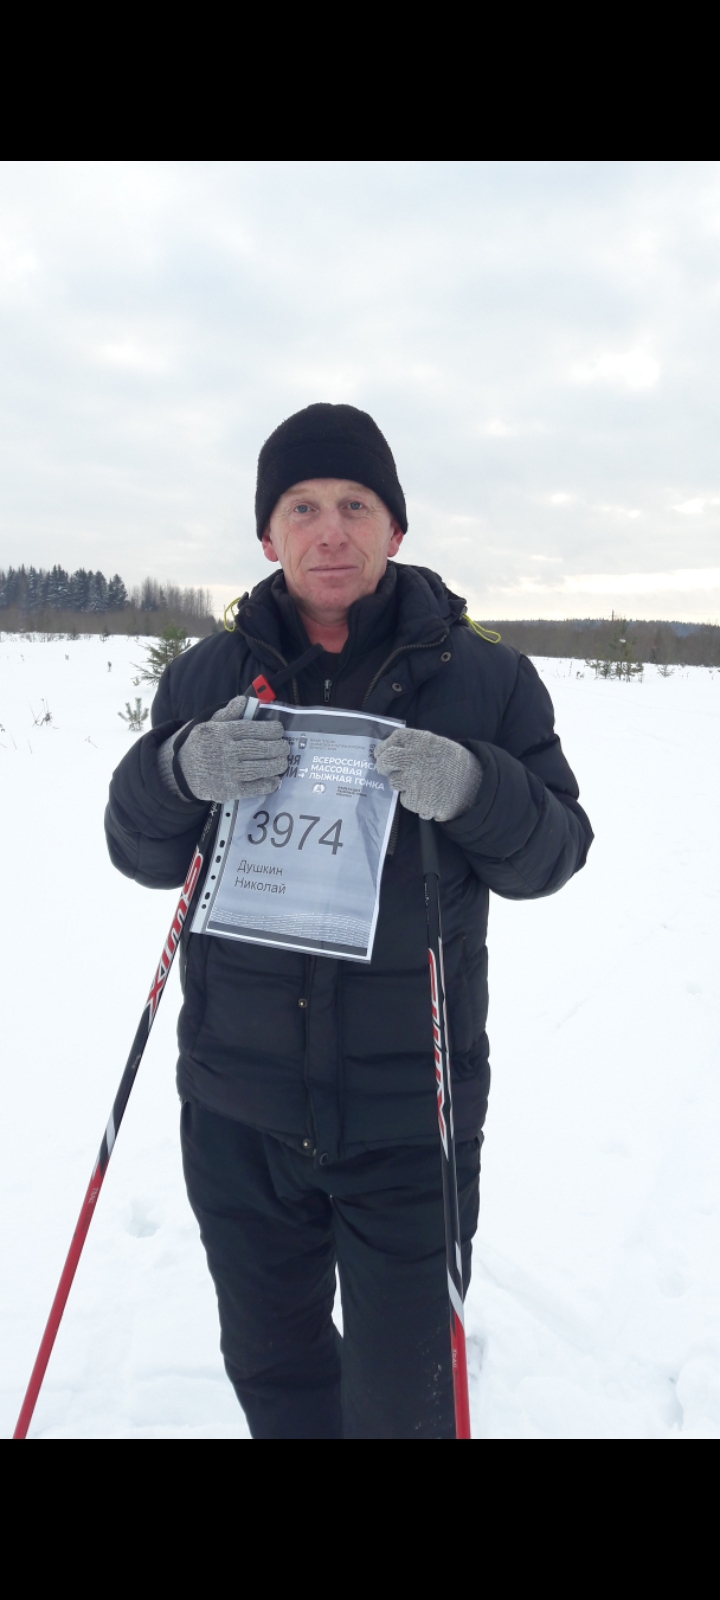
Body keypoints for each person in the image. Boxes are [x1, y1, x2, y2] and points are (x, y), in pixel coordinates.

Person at [106, 402, 593, 1439]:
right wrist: (179, 768)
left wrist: (476, 787)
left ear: (396, 527)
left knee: (404, 1398)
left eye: (356, 505)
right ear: (268, 536)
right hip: (237, 1110)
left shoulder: (486, 679)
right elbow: (139, 850)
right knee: (274, 1369)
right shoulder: (208, 676)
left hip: (411, 1119)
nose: (331, 531)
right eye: (303, 507)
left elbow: (554, 852)